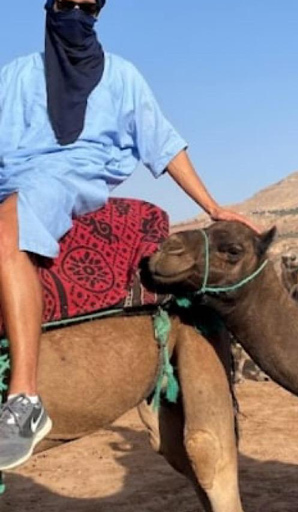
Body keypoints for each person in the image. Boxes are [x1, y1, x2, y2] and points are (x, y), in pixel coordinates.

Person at [0, 0, 260, 471]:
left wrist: (212, 206)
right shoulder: (16, 77)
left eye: (88, 7)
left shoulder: (121, 78)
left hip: (65, 179)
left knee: (7, 231)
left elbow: (164, 144)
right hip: (10, 182)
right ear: (49, 9)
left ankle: (24, 400)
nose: (77, 16)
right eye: (67, 5)